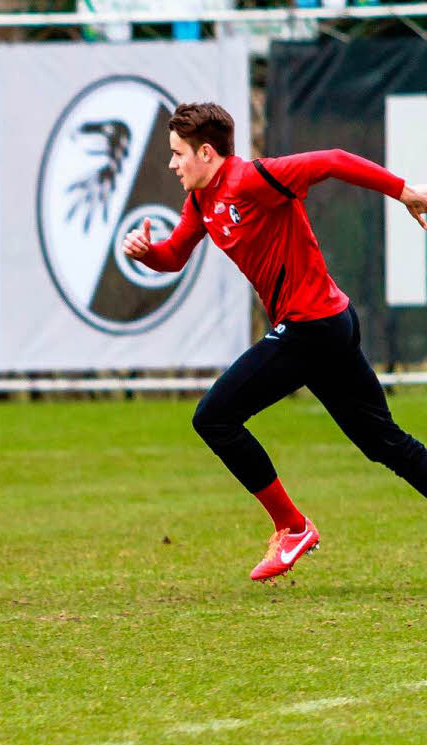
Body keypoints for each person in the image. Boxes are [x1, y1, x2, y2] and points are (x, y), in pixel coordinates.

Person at [122, 102, 427, 582]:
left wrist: (404, 190)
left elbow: (333, 159)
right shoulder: (202, 199)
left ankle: (293, 526)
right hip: (329, 324)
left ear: (206, 152)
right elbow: (176, 255)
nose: (172, 163)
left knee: (214, 417)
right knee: (383, 442)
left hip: (312, 328)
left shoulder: (253, 180)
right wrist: (148, 254)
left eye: (178, 153)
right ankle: (293, 526)